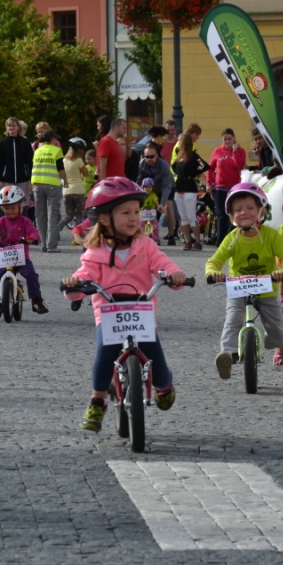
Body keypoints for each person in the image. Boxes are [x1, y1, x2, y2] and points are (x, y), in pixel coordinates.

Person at [62, 177, 187, 433]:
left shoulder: (146, 245)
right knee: (104, 355)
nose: (134, 218)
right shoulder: (94, 253)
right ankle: (97, 400)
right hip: (108, 313)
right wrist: (75, 285)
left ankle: (164, 385)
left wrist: (174, 275)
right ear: (105, 218)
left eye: (137, 212)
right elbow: (84, 276)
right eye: (126, 212)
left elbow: (163, 264)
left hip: (140, 310)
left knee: (157, 360)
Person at [206, 182, 283, 377]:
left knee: (277, 329)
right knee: (233, 319)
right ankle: (227, 355)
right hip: (238, 289)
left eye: (249, 208)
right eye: (237, 210)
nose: (243, 212)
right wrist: (213, 272)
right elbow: (215, 261)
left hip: (267, 288)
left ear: (261, 211)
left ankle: (282, 348)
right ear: (230, 215)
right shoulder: (232, 238)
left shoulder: (270, 236)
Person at [0, 185, 48, 319]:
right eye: (7, 208)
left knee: (31, 274)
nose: (10, 211)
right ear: (2, 209)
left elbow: (33, 232)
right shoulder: (1, 221)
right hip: (5, 257)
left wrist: (32, 238)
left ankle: (37, 300)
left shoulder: (25, 221)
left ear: (20, 206)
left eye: (13, 207)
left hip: (21, 257)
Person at [207, 128, 247, 245]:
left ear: (234, 138)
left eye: (229, 139)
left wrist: (235, 152)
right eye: (225, 139)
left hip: (234, 188)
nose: (227, 141)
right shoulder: (217, 151)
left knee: (233, 214)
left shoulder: (241, 151)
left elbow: (240, 166)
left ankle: (231, 239)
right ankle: (220, 240)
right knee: (221, 215)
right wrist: (209, 183)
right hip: (220, 188)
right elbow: (210, 169)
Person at [31, 129, 67, 252]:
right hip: (52, 184)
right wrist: (66, 180)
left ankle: (43, 244)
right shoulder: (56, 150)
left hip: (37, 184)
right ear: (53, 139)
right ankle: (51, 245)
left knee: (40, 214)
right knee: (52, 214)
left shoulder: (37, 151)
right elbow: (60, 169)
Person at [172, 132, 209, 251]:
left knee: (191, 217)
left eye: (180, 140)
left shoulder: (193, 156)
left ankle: (197, 241)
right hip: (179, 189)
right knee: (183, 217)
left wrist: (193, 174)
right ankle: (188, 241)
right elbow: (173, 166)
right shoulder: (179, 155)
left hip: (189, 189)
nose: (178, 142)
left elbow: (205, 166)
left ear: (184, 142)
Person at [0, 117, 33, 198]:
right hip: (6, 180)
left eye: (13, 125)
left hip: (23, 179)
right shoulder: (2, 142)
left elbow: (30, 161)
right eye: (9, 126)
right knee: (8, 202)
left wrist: (30, 179)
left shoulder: (25, 142)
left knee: (23, 204)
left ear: (18, 127)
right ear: (6, 128)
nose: (11, 128)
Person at [59, 137, 89, 232]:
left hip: (66, 191)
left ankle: (56, 229)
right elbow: (86, 173)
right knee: (80, 215)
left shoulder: (63, 160)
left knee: (68, 215)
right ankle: (77, 235)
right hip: (78, 191)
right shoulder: (79, 161)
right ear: (79, 150)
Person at [140, 177, 161, 242]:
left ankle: (155, 238)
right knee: (141, 224)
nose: (147, 189)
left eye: (149, 187)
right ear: (143, 187)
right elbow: (138, 203)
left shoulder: (153, 195)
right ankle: (142, 237)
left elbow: (156, 202)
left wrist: (158, 207)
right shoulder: (141, 195)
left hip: (151, 212)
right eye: (146, 187)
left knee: (155, 224)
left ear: (152, 188)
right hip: (143, 212)